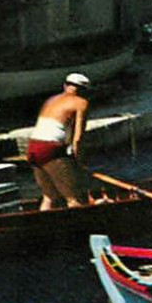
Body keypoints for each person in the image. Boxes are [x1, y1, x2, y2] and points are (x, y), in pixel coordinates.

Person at [28, 74, 92, 210]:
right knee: (73, 198)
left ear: (65, 86)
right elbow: (78, 138)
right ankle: (81, 226)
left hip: (32, 148)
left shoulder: (51, 100)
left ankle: (42, 225)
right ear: (84, 91)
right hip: (50, 149)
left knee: (49, 196)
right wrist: (79, 161)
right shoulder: (81, 103)